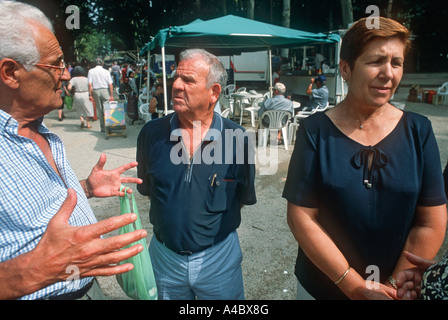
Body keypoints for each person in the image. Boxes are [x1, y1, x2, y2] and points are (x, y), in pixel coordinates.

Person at [283, 17, 447, 300]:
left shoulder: (418, 131)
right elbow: (302, 217)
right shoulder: (315, 131)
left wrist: (393, 287)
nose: (388, 73)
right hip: (322, 287)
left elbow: (430, 221)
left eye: (396, 62)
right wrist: (355, 287)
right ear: (346, 69)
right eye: (376, 61)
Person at [0, 1, 147, 300]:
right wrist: (34, 270)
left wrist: (85, 189)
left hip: (88, 288)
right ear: (10, 73)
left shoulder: (39, 128)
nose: (65, 75)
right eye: (55, 64)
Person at [136, 48, 257, 300]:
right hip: (164, 258)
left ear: (213, 92)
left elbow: (242, 197)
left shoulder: (237, 139)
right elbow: (149, 191)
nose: (176, 85)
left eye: (188, 80)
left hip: (218, 259)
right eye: (176, 77)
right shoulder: (151, 133)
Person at [88, 57, 114, 133]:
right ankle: (109, 126)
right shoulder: (106, 71)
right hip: (105, 90)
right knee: (107, 109)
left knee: (100, 110)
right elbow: (110, 84)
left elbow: (90, 84)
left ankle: (103, 128)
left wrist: (90, 95)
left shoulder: (91, 71)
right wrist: (111, 95)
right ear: (102, 63)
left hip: (96, 91)